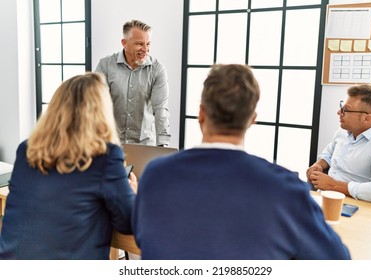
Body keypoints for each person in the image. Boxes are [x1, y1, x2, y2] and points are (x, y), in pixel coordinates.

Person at [132, 64, 350, 260]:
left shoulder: (155, 173)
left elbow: (144, 238)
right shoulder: (284, 188)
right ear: (252, 119)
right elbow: (336, 260)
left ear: (201, 113)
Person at [0, 73, 137, 260]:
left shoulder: (27, 150)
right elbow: (129, 222)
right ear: (101, 112)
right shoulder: (105, 156)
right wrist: (132, 193)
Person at [307, 84, 371, 206]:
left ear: (367, 118)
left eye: (346, 109)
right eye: (341, 106)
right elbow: (329, 152)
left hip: (355, 205)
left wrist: (333, 185)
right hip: (324, 198)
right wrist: (319, 164)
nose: (339, 112)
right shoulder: (342, 132)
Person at [95, 19, 170, 147]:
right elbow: (96, 104)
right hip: (111, 143)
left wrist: (163, 145)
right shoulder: (105, 65)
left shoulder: (157, 69)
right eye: (140, 44)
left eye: (148, 44)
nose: (145, 49)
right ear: (124, 43)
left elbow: (160, 109)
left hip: (145, 145)